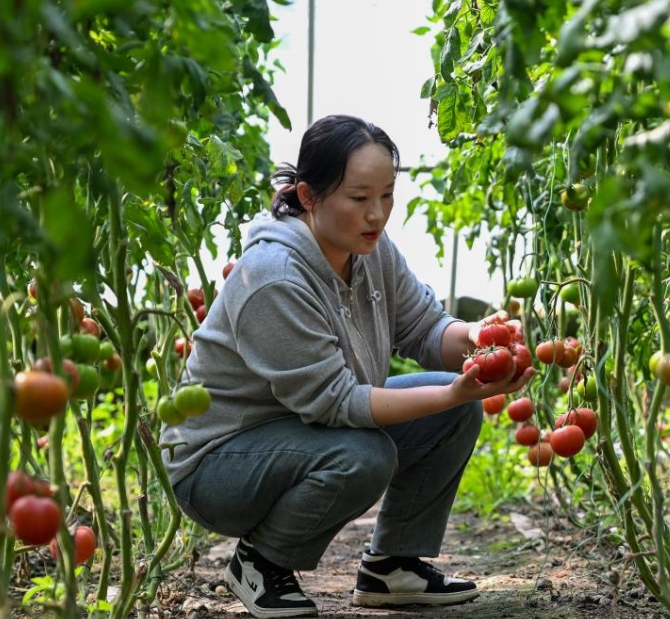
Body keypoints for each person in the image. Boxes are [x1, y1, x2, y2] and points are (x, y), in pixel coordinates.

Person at [160, 114, 534, 619]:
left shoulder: (371, 252)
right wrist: (454, 392)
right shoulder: (273, 278)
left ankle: (391, 568)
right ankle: (260, 563)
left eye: (386, 196)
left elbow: (424, 328)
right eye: (359, 198)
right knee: (367, 452)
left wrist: (476, 337)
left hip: (298, 433)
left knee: (450, 412)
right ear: (309, 196)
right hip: (218, 466)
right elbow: (339, 403)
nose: (377, 214)